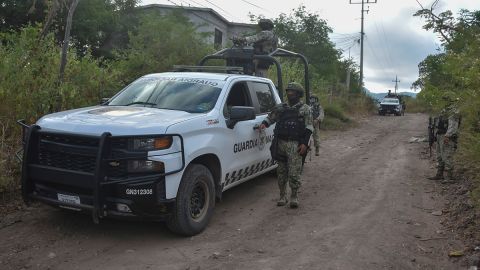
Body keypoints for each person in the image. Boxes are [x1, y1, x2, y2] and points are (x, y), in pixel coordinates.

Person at [259, 82, 313, 208]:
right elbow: (270, 118)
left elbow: (309, 128)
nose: (290, 94)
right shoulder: (281, 108)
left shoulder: (305, 109)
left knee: (294, 173)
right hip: (281, 143)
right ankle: (282, 196)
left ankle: (294, 196)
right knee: (281, 172)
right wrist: (263, 124)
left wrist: (305, 144)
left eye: (292, 92)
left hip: (295, 145)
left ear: (298, 94)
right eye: (288, 91)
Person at [428, 96, 461, 183]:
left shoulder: (454, 110)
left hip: (446, 136)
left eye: (445, 99)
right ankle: (440, 174)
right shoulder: (444, 110)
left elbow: (453, 126)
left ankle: (449, 177)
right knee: (439, 156)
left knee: (447, 156)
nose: (444, 101)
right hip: (440, 135)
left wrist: (448, 135)